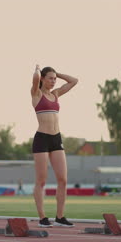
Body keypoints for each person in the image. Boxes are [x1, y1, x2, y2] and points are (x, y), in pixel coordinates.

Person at [31, 64, 78, 228]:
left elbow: (74, 81)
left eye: (54, 79)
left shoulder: (56, 94)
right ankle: (43, 217)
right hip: (41, 139)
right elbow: (35, 79)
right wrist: (37, 71)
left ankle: (60, 217)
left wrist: (58, 73)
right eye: (50, 78)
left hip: (56, 139)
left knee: (63, 180)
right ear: (43, 79)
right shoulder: (36, 93)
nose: (53, 81)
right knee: (41, 180)